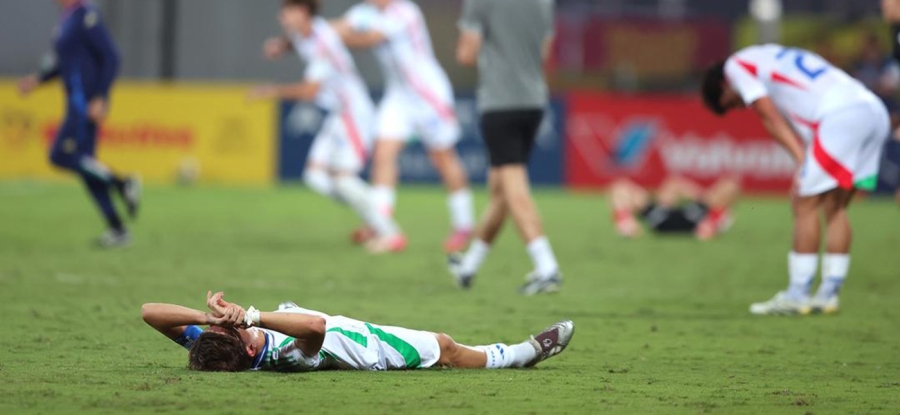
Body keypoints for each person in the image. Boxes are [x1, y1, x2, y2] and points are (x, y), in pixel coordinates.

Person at [701, 44, 890, 315]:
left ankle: (797, 295)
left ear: (723, 85)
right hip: (873, 110)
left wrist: (801, 158)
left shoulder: (735, 67)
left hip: (840, 115)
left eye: (732, 103)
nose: (740, 107)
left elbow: (769, 115)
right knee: (836, 206)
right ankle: (828, 295)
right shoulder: (769, 53)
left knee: (804, 202)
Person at [252, 0, 404, 253]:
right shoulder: (303, 32)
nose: (281, 17)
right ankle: (374, 216)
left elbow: (309, 91)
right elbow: (295, 41)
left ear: (302, 13)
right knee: (314, 176)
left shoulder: (324, 42)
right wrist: (281, 46)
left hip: (353, 112)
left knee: (343, 179)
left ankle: (390, 233)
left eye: (287, 12)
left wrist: (272, 90)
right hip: (338, 113)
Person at [331, 0, 476, 253]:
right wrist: (311, 31)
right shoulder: (365, 12)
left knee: (443, 158)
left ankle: (463, 224)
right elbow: (337, 26)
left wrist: (329, 38)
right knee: (383, 154)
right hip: (398, 96)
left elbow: (369, 38)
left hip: (428, 95)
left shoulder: (405, 11)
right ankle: (380, 223)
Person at [142, 292, 575, 372]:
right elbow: (315, 328)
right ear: (249, 347)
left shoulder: (215, 344)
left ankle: (519, 353)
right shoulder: (282, 357)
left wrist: (207, 320)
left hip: (344, 327)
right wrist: (251, 317)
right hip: (367, 348)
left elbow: (149, 313)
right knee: (445, 348)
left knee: (444, 344)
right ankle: (522, 354)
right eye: (232, 331)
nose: (229, 325)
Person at [449, 0, 562, 295]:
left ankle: (546, 266)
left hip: (500, 102)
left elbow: (466, 54)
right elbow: (545, 51)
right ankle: (469, 266)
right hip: (534, 101)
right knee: (502, 192)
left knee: (514, 188)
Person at [17, 0, 140, 248]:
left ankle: (122, 183)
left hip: (84, 104)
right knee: (87, 166)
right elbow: (65, 64)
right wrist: (38, 79)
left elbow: (111, 56)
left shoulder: (86, 15)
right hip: (75, 101)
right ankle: (118, 229)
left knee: (60, 155)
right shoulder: (67, 18)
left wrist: (100, 96)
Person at [610, 176, 740, 240]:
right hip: (662, 217)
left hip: (694, 221)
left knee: (731, 184)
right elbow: (620, 189)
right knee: (620, 186)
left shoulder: (697, 208)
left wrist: (701, 198)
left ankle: (716, 221)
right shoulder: (655, 209)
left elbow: (731, 188)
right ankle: (626, 224)